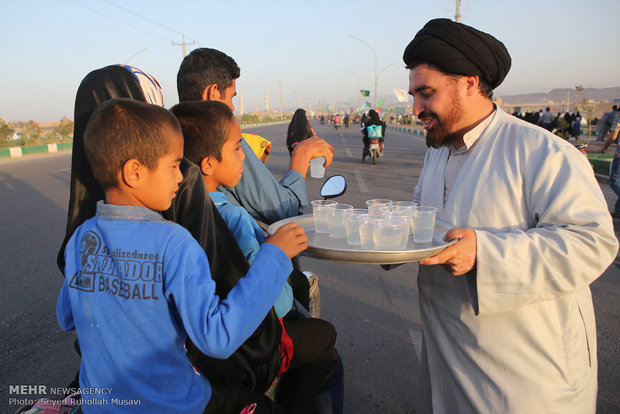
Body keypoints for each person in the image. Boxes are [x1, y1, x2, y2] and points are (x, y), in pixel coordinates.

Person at [403, 18, 618, 413]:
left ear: (469, 83)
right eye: (414, 95)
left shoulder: (543, 153)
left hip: (525, 375)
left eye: (426, 93)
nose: (416, 108)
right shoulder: (437, 153)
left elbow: (592, 241)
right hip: (448, 359)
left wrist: (483, 253)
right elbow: (423, 219)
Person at [56, 65, 294, 414]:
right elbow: (217, 337)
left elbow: (68, 317)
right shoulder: (174, 242)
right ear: (134, 172)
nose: (180, 177)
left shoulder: (80, 239)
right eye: (173, 166)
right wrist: (274, 255)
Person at [177, 48, 344, 413]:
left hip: (198, 350)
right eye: (238, 149)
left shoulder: (172, 208)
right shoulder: (231, 217)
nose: (244, 157)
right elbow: (276, 299)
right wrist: (276, 251)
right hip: (250, 340)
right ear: (213, 96)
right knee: (326, 345)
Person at [177, 48, 334, 225]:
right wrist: (302, 155)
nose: (233, 108)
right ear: (213, 93)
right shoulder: (222, 141)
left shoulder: (173, 138)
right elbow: (281, 209)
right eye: (231, 97)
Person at [601, 110, 620, 218]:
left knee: (614, 181)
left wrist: (604, 147)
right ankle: (618, 210)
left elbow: (613, 136)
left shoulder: (618, 115)